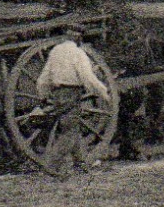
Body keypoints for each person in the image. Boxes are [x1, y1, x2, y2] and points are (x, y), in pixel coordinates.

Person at [34, 22, 111, 171]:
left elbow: (43, 79)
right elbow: (88, 77)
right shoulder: (78, 53)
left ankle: (81, 162)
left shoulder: (55, 50)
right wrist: (104, 93)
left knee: (71, 126)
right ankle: (51, 165)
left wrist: (43, 97)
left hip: (57, 94)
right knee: (69, 132)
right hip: (71, 94)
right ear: (78, 38)